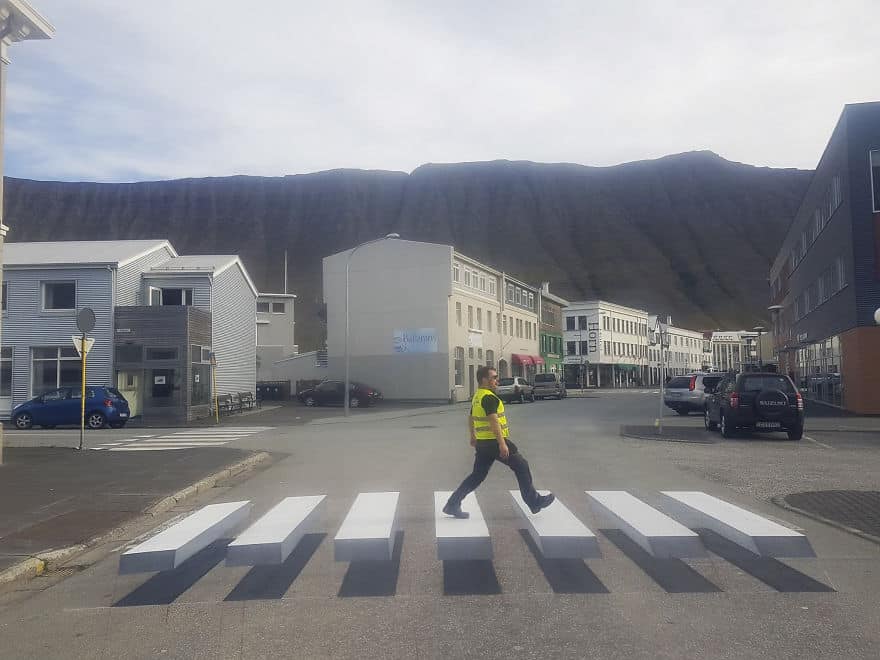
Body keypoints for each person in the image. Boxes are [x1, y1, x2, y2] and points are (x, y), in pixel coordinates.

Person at [443, 365, 555, 518]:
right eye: (494, 378)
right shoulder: (489, 397)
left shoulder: (478, 396)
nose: (497, 380)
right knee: (522, 466)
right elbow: (494, 421)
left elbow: (471, 416)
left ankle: (452, 504)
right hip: (494, 442)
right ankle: (534, 501)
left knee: (477, 475)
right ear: (484, 380)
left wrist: (473, 436)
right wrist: (502, 443)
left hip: (483, 443)